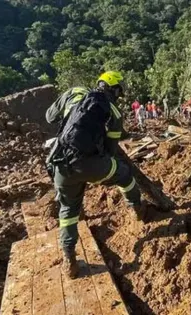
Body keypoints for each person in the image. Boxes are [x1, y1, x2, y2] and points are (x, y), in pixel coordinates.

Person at [45, 71, 148, 279]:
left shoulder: (73, 92)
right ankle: (137, 209)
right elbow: (111, 150)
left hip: (59, 163)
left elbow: (49, 117)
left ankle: (69, 260)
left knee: (68, 210)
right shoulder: (113, 111)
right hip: (90, 165)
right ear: (114, 89)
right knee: (125, 175)